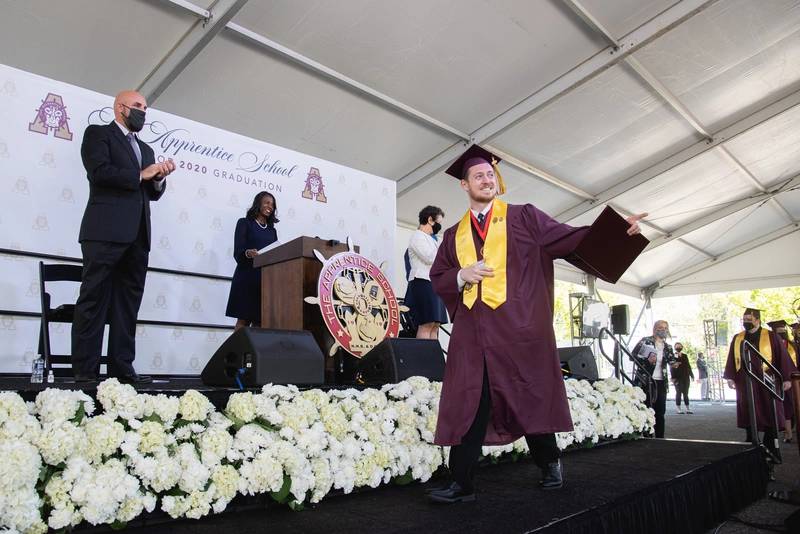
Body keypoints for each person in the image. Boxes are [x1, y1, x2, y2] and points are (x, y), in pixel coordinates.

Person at [426, 145, 645, 503]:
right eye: (478, 175)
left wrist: (618, 233)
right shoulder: (453, 235)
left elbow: (569, 238)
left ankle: (549, 463)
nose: (487, 179)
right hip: (474, 336)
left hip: (519, 331)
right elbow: (439, 277)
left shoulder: (524, 217)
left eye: (490, 174)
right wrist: (462, 275)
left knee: (528, 396)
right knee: (470, 402)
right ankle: (461, 482)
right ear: (464, 185)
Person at [71, 90, 175, 384]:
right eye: (138, 106)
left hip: (138, 236)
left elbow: (152, 193)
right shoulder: (98, 134)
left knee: (127, 305)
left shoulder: (147, 150)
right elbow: (100, 172)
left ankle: (122, 368)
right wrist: (141, 174)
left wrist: (158, 178)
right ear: (121, 108)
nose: (143, 111)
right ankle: (85, 370)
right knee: (93, 299)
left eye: (146, 107)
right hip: (104, 231)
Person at [723, 309, 796, 457]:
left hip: (767, 381)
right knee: (748, 410)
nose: (746, 322)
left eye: (749, 319)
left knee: (770, 410)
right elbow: (732, 358)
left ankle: (770, 445)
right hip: (745, 382)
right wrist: (730, 377)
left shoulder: (771, 336)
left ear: (758, 320)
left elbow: (782, 357)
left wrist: (787, 378)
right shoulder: (738, 338)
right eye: (744, 319)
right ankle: (750, 441)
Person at [225, 192, 279, 329]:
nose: (270, 207)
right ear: (258, 203)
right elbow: (238, 251)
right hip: (247, 277)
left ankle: (253, 346)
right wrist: (248, 253)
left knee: (260, 323)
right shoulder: (244, 223)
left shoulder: (272, 231)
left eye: (272, 205)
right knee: (243, 321)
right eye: (267, 202)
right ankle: (237, 345)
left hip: (264, 282)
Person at [404, 206, 448, 339]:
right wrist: (443, 248)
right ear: (430, 219)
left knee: (435, 325)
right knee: (426, 323)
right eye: (438, 222)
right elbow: (429, 258)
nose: (439, 226)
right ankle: (423, 352)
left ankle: (433, 352)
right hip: (422, 281)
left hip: (436, 284)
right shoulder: (417, 236)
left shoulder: (434, 240)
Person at [632, 320, 677, 437]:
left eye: (666, 328)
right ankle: (646, 435)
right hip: (646, 380)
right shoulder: (645, 341)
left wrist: (674, 364)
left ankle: (660, 437)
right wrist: (647, 359)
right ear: (655, 329)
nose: (663, 330)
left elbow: (671, 360)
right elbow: (633, 356)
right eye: (661, 327)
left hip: (661, 382)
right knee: (646, 408)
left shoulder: (668, 347)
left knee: (660, 410)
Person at [767, 320, 797, 443]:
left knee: (791, 406)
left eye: (783, 330)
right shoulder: (770, 346)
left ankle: (789, 432)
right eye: (779, 330)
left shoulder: (793, 346)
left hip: (793, 380)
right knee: (786, 407)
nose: (781, 332)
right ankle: (788, 432)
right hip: (780, 380)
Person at [670, 343, 694, 414]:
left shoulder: (685, 356)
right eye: (677, 346)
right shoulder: (673, 356)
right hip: (677, 377)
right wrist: (673, 377)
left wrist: (691, 375)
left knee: (686, 393)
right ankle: (679, 408)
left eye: (680, 346)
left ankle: (688, 408)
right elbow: (672, 367)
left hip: (686, 377)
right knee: (678, 393)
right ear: (675, 347)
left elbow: (688, 366)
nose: (679, 347)